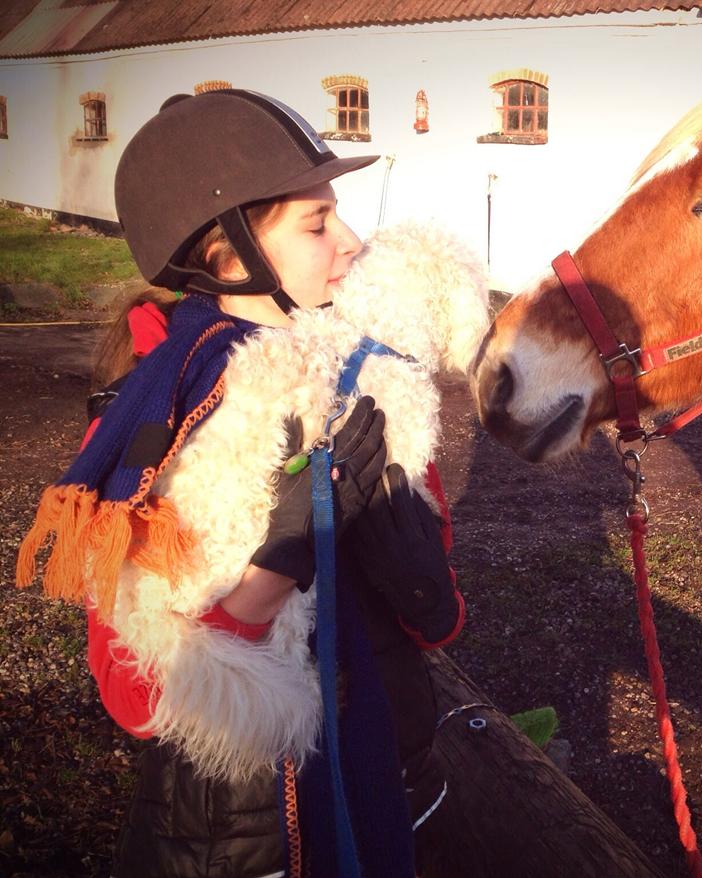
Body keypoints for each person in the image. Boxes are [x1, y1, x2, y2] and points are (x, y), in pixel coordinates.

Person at [15, 89, 464, 878]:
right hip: (244, 837)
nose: (353, 242)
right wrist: (281, 560)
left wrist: (421, 585)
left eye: (339, 214)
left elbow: (437, 626)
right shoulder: (152, 425)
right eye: (317, 223)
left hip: (398, 788)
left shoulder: (373, 391)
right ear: (228, 255)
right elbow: (137, 699)